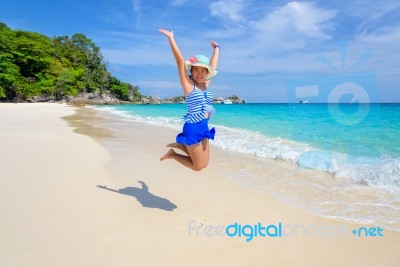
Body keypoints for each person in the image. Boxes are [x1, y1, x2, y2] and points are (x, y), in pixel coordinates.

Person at [158, 28, 220, 171]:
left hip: (204, 126)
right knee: (197, 167)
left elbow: (213, 66)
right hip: (192, 128)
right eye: (196, 70)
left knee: (204, 164)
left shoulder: (205, 84)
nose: (200, 73)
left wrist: (217, 49)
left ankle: (181, 146)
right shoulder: (188, 86)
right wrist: (171, 38)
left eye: (203, 70)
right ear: (191, 72)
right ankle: (173, 154)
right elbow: (180, 61)